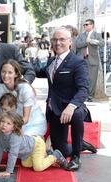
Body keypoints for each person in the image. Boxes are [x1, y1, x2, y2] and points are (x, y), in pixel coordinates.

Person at [36, 27, 96, 171]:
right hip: (55, 110)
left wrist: (71, 106)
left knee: (76, 115)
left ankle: (76, 157)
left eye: (62, 39)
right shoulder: (51, 61)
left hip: (73, 107)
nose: (58, 43)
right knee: (60, 149)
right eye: (55, 40)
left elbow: (84, 89)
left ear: (70, 42)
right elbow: (39, 72)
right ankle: (80, 144)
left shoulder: (78, 62)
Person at [0, 111, 68, 177]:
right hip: (27, 152)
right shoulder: (0, 134)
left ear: (14, 127)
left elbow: (13, 154)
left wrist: (8, 171)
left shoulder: (15, 137)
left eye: (8, 123)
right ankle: (46, 154)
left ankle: (55, 155)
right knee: (26, 165)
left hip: (37, 145)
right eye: (3, 121)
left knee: (38, 167)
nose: (4, 125)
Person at [0, 59, 47, 137]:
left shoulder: (24, 88)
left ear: (16, 74)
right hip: (12, 124)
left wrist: (11, 127)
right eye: (3, 72)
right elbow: (1, 110)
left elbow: (25, 118)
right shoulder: (0, 88)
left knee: (20, 141)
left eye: (10, 72)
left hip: (31, 123)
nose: (6, 75)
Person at [76, 19, 104, 101]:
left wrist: (91, 41)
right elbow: (77, 45)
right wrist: (86, 42)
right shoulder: (81, 35)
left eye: (87, 24)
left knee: (92, 79)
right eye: (84, 25)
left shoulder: (97, 35)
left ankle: (90, 96)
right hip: (82, 59)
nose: (85, 26)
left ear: (92, 25)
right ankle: (83, 95)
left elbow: (102, 43)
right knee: (83, 78)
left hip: (93, 59)